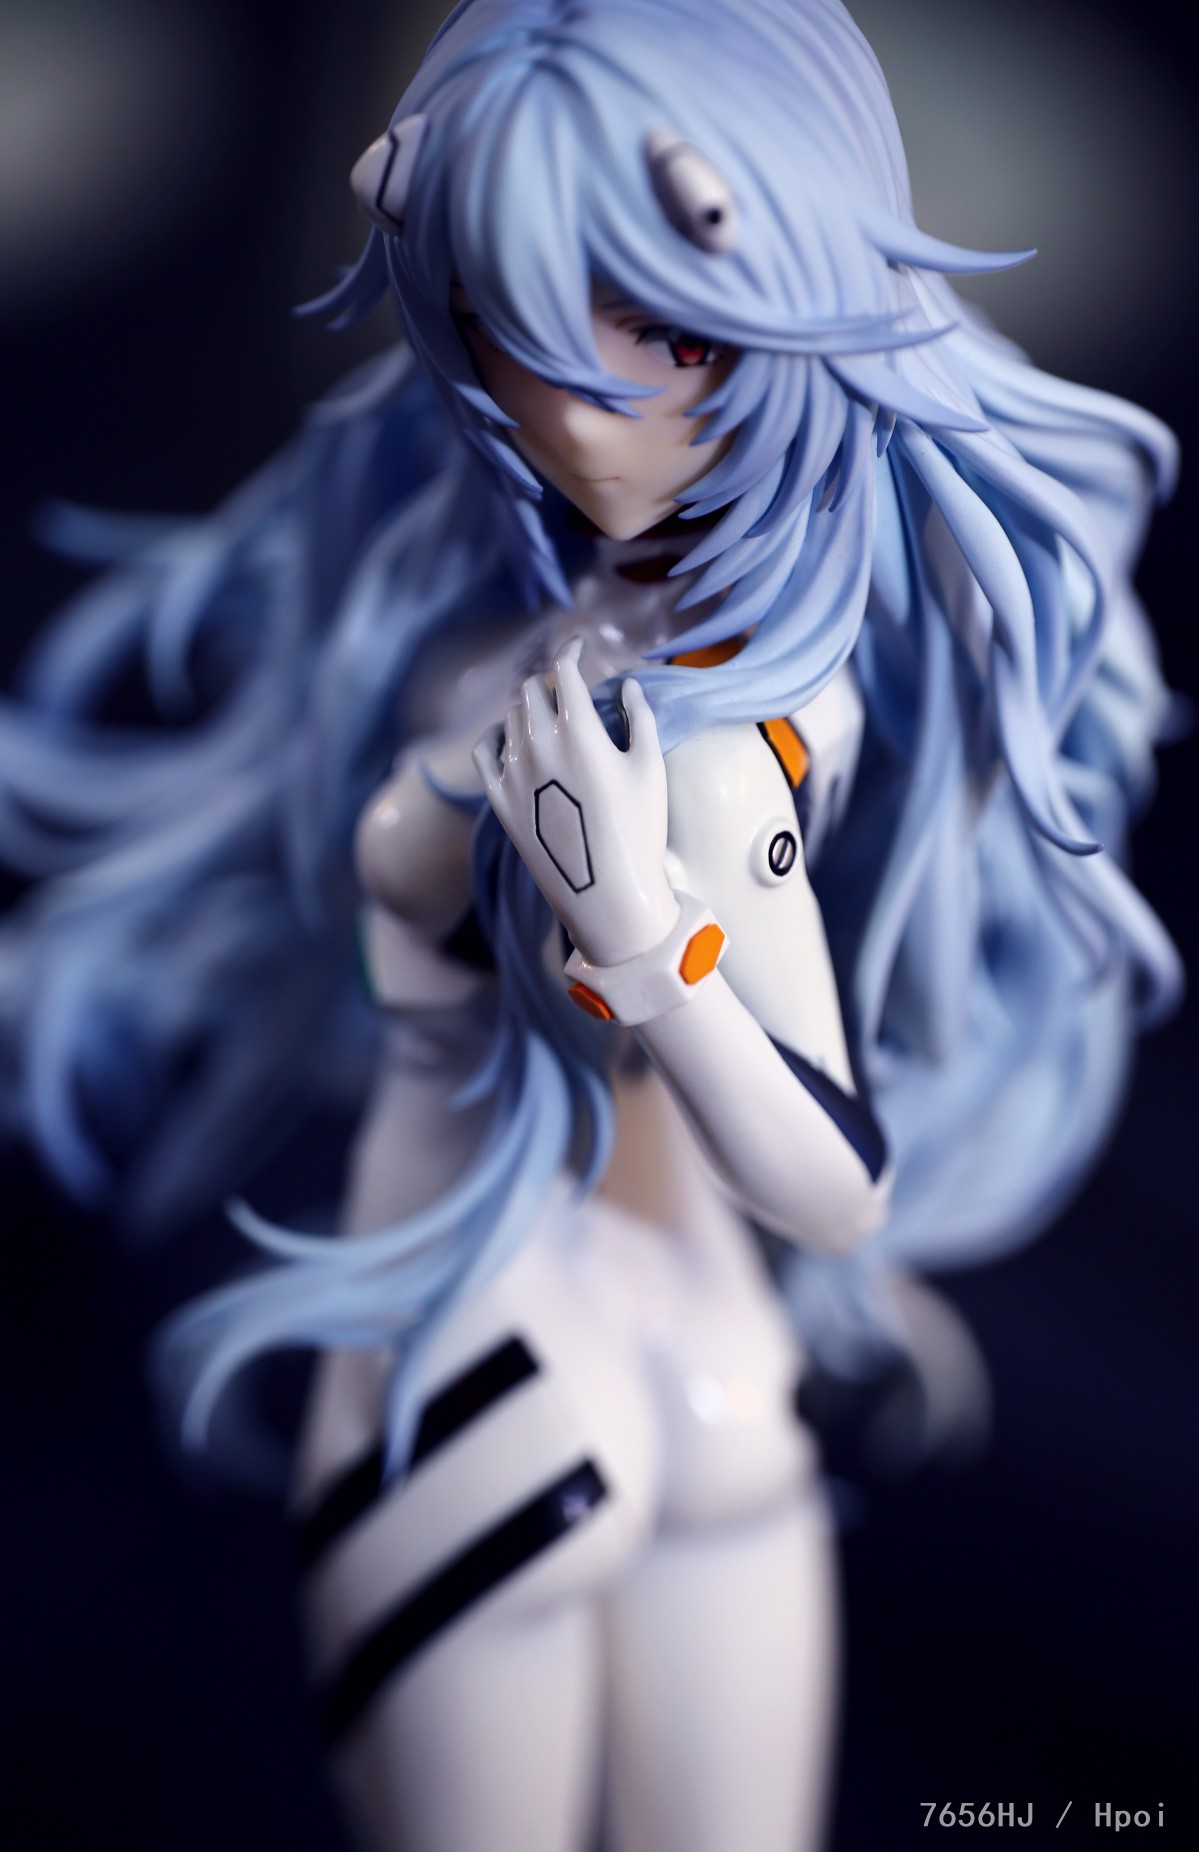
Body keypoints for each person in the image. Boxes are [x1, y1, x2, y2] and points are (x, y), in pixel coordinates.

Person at [0, 3, 1179, 1848]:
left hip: (560, 1364)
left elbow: (833, 1181)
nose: (577, 408)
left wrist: (638, 931)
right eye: (516, 329)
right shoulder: (539, 660)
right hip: (585, 1366)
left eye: (662, 329)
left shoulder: (737, 709)